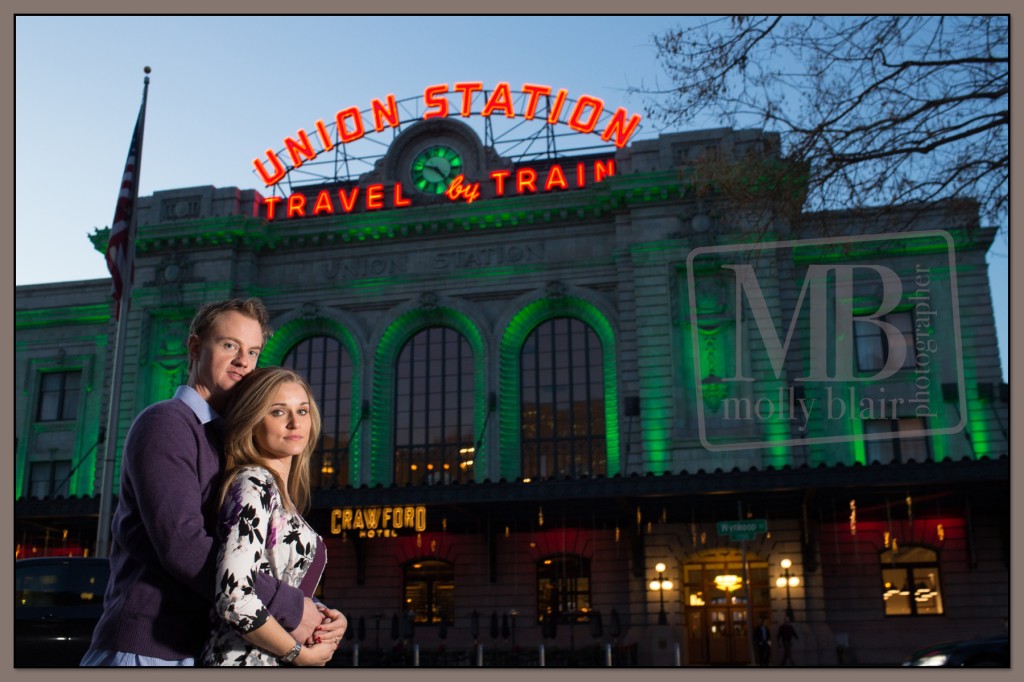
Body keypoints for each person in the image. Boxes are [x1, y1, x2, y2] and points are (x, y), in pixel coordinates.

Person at [82, 298, 345, 666]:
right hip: (149, 650)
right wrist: (292, 609)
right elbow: (183, 546)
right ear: (194, 347)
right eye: (229, 346)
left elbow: (252, 558)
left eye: (253, 351)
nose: (243, 361)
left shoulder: (230, 442)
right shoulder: (167, 424)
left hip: (203, 648)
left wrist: (319, 614)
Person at [202, 367, 338, 666]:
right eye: (278, 412)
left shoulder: (277, 492)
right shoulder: (254, 484)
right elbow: (234, 597)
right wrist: (298, 654)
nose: (294, 422)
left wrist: (325, 617)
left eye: (302, 410)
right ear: (252, 420)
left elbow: (274, 580)